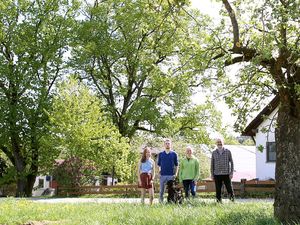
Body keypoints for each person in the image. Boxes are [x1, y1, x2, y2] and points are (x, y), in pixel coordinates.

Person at [211, 138, 235, 203]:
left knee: (229, 189)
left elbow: (232, 162)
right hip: (217, 174)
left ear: (223, 143)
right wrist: (212, 175)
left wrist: (231, 173)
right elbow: (212, 164)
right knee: (218, 189)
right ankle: (218, 202)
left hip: (226, 174)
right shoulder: (213, 153)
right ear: (216, 143)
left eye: (220, 142)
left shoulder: (228, 151)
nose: (219, 143)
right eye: (218, 142)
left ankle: (232, 201)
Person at [157, 138, 179, 203]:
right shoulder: (160, 154)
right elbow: (158, 165)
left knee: (171, 190)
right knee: (161, 191)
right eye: (166, 143)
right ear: (164, 145)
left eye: (168, 143)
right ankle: (160, 202)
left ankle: (171, 202)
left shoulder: (174, 154)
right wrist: (159, 172)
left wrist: (176, 174)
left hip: (171, 175)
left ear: (170, 145)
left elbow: (177, 165)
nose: (167, 145)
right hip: (162, 175)